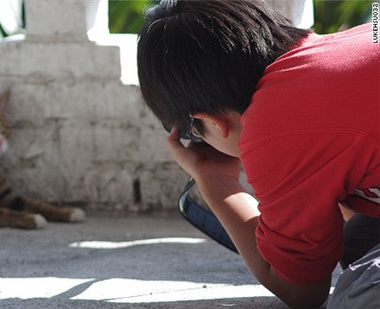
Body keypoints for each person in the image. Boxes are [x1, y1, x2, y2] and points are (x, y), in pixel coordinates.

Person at [137, 0, 380, 308]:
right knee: (359, 238)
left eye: (193, 131)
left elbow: (302, 291)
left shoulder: (278, 122)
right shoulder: (345, 45)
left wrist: (215, 182)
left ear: (211, 122)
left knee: (359, 295)